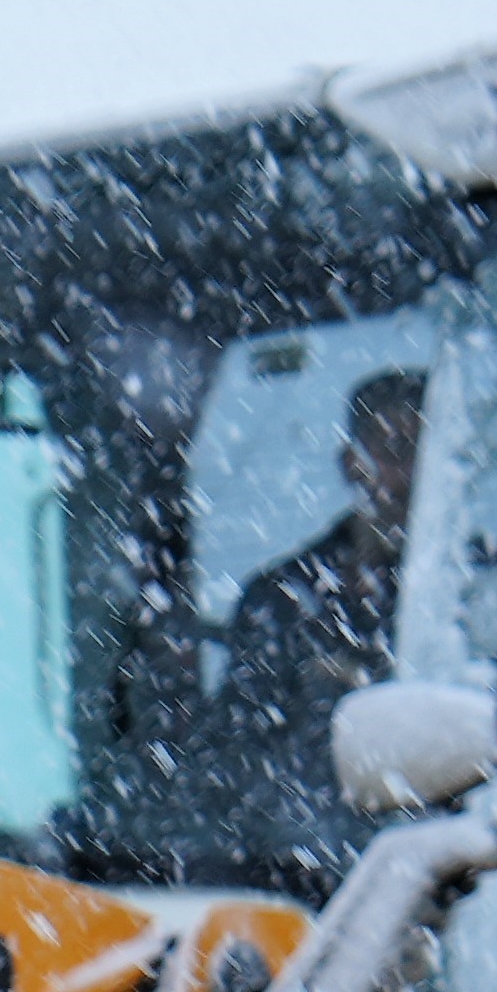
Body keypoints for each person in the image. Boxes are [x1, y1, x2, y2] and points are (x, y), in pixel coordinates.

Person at [192, 361, 427, 887]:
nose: (411, 476)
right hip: (327, 894)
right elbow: (239, 774)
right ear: (351, 464)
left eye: (426, 454)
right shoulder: (281, 602)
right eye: (393, 453)